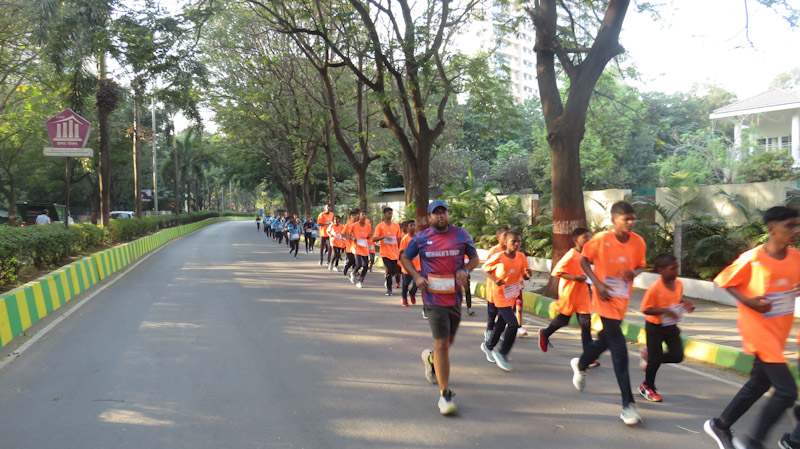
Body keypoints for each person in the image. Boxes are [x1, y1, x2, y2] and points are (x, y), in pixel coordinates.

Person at [704, 206, 800, 449]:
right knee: (787, 392)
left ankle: (720, 425)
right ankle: (754, 443)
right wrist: (748, 301)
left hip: (779, 333)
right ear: (771, 229)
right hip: (758, 332)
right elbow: (724, 280)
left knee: (759, 383)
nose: (796, 230)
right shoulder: (753, 258)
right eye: (790, 225)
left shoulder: (796, 258)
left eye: (798, 225)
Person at [570, 200, 646, 426]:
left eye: (633, 218)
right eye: (626, 219)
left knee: (604, 341)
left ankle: (581, 364)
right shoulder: (601, 240)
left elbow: (642, 264)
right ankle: (628, 406)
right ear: (614, 221)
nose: (631, 222)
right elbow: (584, 260)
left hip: (621, 300)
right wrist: (597, 284)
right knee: (619, 349)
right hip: (603, 298)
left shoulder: (638, 242)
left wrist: (634, 272)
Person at [401, 200, 479, 415]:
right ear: (429, 218)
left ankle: (430, 358)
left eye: (443, 213)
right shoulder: (421, 238)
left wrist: (465, 270)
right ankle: (445, 395)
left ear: (448, 215)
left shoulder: (461, 235)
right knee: (442, 343)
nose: (441, 216)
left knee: (448, 342)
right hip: (432, 298)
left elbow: (474, 258)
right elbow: (405, 257)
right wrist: (416, 277)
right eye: (436, 214)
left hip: (454, 297)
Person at [638, 254, 695, 403]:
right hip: (655, 327)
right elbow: (646, 309)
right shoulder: (655, 288)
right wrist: (664, 310)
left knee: (677, 356)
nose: (676, 271)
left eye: (677, 267)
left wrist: (684, 304)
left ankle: (649, 356)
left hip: (671, 326)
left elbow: (676, 299)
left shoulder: (679, 284)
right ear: (661, 270)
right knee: (655, 361)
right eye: (673, 268)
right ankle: (647, 386)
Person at [480, 230, 533, 371]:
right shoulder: (498, 257)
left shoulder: (521, 257)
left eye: (519, 242)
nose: (516, 244)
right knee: (514, 324)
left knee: (501, 323)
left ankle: (489, 345)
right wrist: (495, 279)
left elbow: (524, 275)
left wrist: (528, 275)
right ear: (505, 242)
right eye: (513, 241)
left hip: (512, 295)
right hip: (500, 295)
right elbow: (484, 268)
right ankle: (502, 353)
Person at [540, 228, 593, 354]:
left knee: (586, 324)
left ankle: (589, 355)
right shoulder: (571, 255)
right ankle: (545, 333)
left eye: (589, 237)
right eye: (585, 237)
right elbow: (556, 272)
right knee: (563, 319)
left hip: (583, 294)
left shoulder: (586, 255)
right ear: (576, 240)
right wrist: (575, 278)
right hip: (569, 294)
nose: (589, 240)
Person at [483, 226, 509, 342]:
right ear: (498, 238)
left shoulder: (512, 250)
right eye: (505, 236)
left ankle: (499, 331)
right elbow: (486, 269)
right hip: (493, 289)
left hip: (507, 291)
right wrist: (495, 280)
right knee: (492, 313)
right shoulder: (494, 251)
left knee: (503, 313)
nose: (507, 238)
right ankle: (489, 331)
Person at [373, 207, 403, 297]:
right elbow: (374, 239)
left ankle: (387, 278)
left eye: (391, 213)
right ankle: (389, 289)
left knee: (395, 271)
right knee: (389, 270)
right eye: (388, 213)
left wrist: (400, 250)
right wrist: (384, 237)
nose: (390, 215)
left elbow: (398, 239)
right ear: (384, 215)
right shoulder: (380, 226)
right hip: (385, 253)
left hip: (394, 253)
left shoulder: (396, 226)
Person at [349, 210, 372, 288]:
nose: (364, 216)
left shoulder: (368, 226)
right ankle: (353, 272)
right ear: (359, 215)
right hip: (356, 247)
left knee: (365, 266)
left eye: (365, 215)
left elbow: (368, 236)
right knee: (358, 264)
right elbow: (349, 235)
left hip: (364, 247)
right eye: (362, 214)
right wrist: (353, 238)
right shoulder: (354, 225)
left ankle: (360, 281)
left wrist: (369, 236)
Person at [399, 220, 420, 308]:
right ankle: (404, 298)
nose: (413, 227)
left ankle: (412, 293)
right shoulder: (405, 239)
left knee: (417, 283)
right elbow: (401, 252)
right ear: (407, 228)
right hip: (407, 266)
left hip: (418, 265)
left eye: (414, 225)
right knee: (405, 284)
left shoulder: (419, 237)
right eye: (411, 225)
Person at [342, 210, 359, 281]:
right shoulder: (347, 225)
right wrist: (349, 237)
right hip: (349, 246)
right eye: (353, 216)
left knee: (356, 261)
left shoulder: (359, 224)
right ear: (350, 217)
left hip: (357, 247)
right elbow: (342, 234)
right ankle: (346, 267)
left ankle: (353, 273)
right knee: (351, 260)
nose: (354, 217)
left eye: (355, 215)